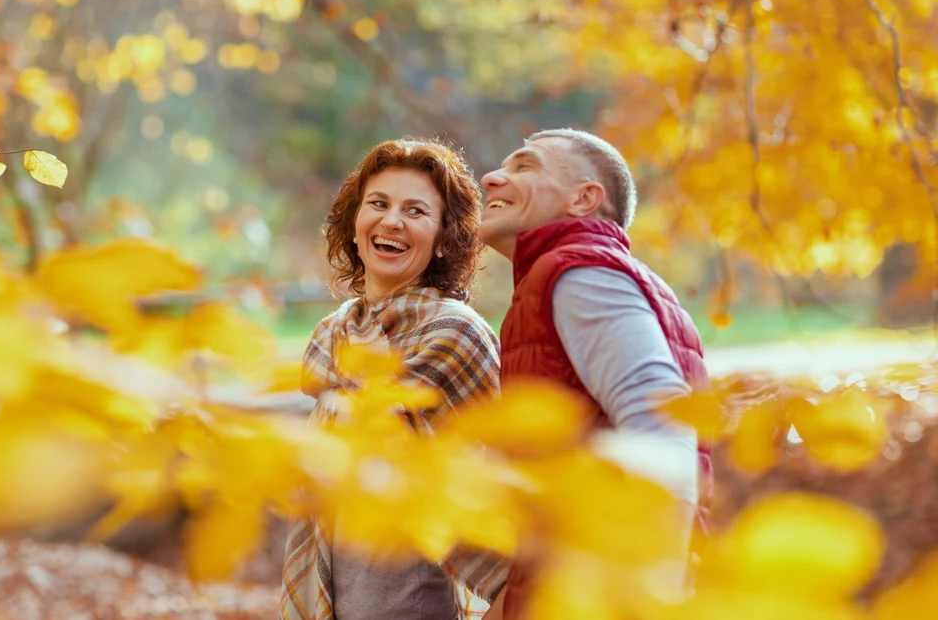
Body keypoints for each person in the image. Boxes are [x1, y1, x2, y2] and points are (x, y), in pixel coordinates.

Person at [476, 128, 711, 620]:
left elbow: (662, 423)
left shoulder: (580, 270)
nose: (492, 178)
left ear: (583, 198)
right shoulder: (578, 274)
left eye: (525, 166)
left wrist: (651, 592)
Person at [280, 138, 508, 620]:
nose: (391, 221)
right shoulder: (335, 334)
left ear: (444, 238)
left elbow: (489, 486)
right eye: (378, 204)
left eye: (415, 211)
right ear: (355, 226)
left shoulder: (457, 333)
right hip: (334, 597)